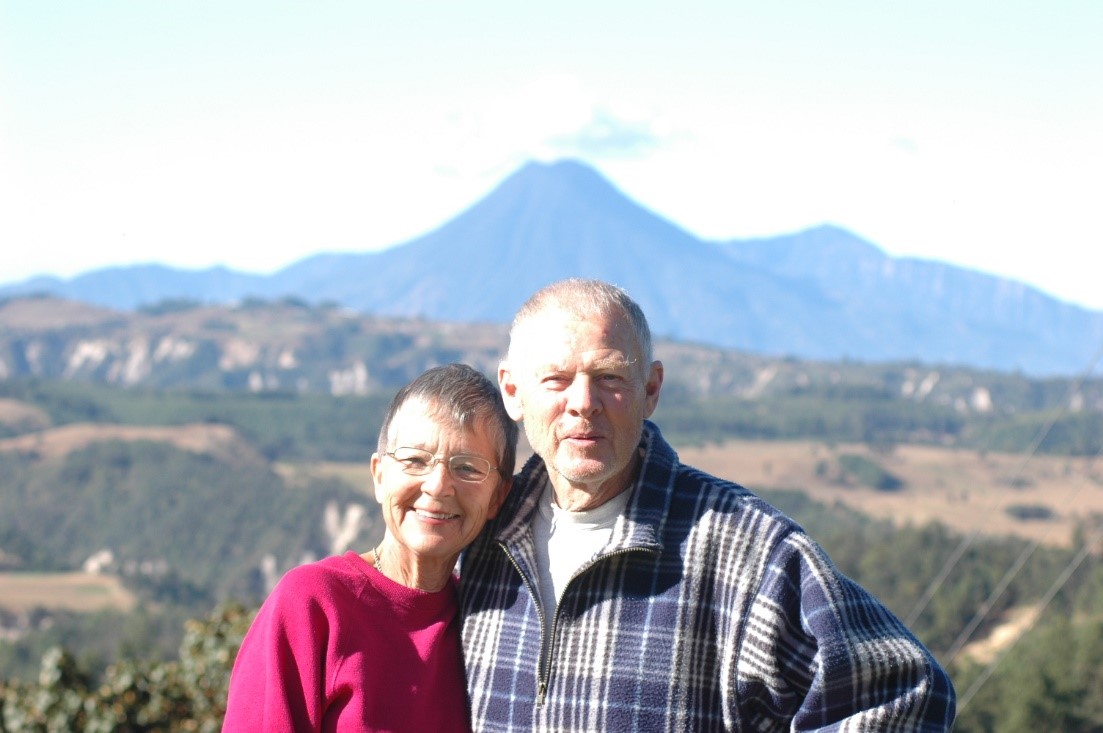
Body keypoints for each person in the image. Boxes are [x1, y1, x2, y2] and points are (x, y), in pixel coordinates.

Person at [459, 279, 956, 732]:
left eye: (610, 376)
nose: (584, 402)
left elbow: (906, 697)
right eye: (556, 379)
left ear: (651, 389)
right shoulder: (471, 539)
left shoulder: (751, 553)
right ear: (512, 391)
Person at [223, 363, 517, 732]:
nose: (439, 486)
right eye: (415, 460)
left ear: (497, 498)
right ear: (379, 476)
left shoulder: (491, 628)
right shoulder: (313, 605)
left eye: (468, 468)